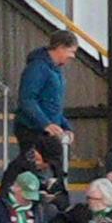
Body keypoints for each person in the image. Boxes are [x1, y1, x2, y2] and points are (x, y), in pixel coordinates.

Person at [13, 31, 74, 164]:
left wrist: (65, 126)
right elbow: (27, 99)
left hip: (46, 129)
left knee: (42, 166)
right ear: (60, 47)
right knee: (34, 166)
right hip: (32, 129)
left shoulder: (55, 70)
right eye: (71, 51)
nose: (73, 56)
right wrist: (45, 123)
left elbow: (53, 105)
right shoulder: (37, 67)